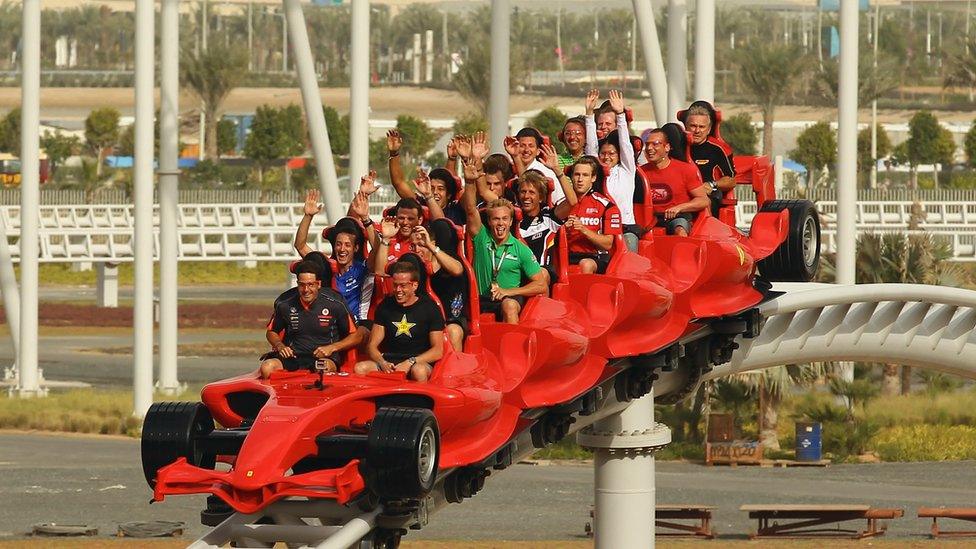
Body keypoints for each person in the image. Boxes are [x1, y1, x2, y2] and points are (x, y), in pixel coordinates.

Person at [461, 155, 549, 324]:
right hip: (481, 298)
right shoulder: (481, 237)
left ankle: (513, 348)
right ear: (489, 221)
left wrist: (509, 291)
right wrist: (470, 182)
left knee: (509, 306)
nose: (500, 224)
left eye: (504, 219)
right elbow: (471, 209)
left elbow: (541, 285)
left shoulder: (520, 248)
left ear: (510, 221)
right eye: (495, 219)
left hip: (508, 298)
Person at [260, 260, 361, 378]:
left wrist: (332, 348)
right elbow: (271, 332)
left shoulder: (335, 303)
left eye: (311, 285)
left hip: (323, 357)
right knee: (266, 367)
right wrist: (280, 346)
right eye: (302, 285)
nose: (306, 290)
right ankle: (277, 395)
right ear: (297, 284)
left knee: (322, 367)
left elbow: (357, 336)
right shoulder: (284, 303)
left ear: (318, 284)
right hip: (293, 356)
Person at [295, 187, 374, 327]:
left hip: (357, 326)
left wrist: (366, 218)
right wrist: (308, 216)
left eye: (347, 245)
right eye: (339, 244)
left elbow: (378, 249)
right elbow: (300, 246)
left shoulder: (364, 268)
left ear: (355, 248)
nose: (342, 249)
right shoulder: (327, 266)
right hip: (331, 327)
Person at [355, 260, 444, 382]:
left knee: (419, 371)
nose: (398, 290)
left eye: (403, 286)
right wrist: (382, 362)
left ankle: (418, 401)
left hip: (418, 361)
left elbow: (438, 351)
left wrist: (410, 362)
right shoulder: (385, 306)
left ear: (414, 285)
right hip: (390, 361)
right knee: (360, 368)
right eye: (395, 285)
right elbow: (371, 346)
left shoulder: (430, 308)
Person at [586, 90, 638, 251]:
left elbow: (625, 146)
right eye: (604, 153)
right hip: (603, 229)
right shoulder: (597, 173)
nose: (607, 157)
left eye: (612, 154)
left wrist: (621, 115)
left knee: (628, 257)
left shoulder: (627, 170)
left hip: (625, 228)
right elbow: (591, 150)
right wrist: (589, 115)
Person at [554, 156, 622, 274]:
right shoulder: (561, 204)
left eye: (585, 175)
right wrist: (563, 229)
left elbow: (608, 244)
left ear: (593, 178)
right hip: (563, 255)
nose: (580, 179)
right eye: (577, 175)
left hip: (595, 257)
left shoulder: (606, 206)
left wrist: (583, 229)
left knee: (585, 264)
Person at [638, 128, 710, 236]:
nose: (649, 148)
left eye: (655, 144)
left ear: (666, 147)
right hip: (650, 219)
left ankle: (684, 252)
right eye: (647, 144)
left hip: (677, 217)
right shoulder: (640, 172)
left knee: (680, 230)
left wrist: (679, 208)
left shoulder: (685, 170)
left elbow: (703, 200)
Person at [387, 129, 467, 226]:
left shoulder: (456, 209)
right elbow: (398, 183)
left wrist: (461, 159)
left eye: (440, 189)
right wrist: (394, 153)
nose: (435, 192)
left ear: (449, 194)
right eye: (432, 188)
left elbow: (467, 192)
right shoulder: (421, 204)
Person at [678, 101, 736, 215]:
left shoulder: (718, 149)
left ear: (709, 129)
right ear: (685, 126)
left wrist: (711, 184)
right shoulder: (675, 147)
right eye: (693, 126)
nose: (697, 131)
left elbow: (731, 180)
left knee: (704, 203)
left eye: (702, 127)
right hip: (680, 196)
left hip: (709, 196)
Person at [504, 127, 564, 205]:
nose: (526, 150)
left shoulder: (546, 172)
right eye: (522, 146)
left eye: (531, 146)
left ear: (538, 151)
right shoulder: (508, 170)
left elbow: (560, 201)